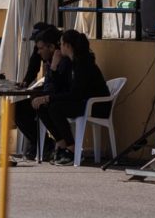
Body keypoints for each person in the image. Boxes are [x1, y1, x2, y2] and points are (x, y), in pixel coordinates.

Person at [30, 29, 109, 166]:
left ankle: (72, 149)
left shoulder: (83, 64)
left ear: (67, 46)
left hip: (95, 106)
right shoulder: (72, 63)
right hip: (81, 102)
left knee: (55, 108)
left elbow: (75, 94)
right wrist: (54, 67)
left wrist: (49, 98)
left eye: (61, 44)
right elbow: (59, 86)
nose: (59, 47)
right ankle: (62, 145)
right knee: (42, 107)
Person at [12, 25, 69, 161]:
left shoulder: (63, 61)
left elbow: (58, 87)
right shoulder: (48, 54)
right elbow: (34, 65)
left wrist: (42, 95)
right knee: (16, 109)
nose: (38, 52)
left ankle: (54, 145)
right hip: (52, 94)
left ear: (51, 46)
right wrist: (26, 82)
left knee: (38, 105)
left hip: (61, 99)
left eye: (40, 48)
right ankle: (40, 143)